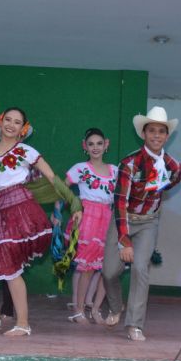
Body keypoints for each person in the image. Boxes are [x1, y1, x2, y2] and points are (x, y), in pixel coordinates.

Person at [0, 107, 82, 336]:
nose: (11, 124)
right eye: (7, 119)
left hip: (20, 207)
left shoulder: (26, 151)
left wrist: (74, 203)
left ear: (24, 129)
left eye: (17, 122)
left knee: (10, 268)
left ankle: (22, 323)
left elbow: (52, 178)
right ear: (0, 122)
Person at [103, 106, 181, 342]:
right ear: (143, 134)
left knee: (140, 269)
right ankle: (116, 306)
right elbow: (119, 202)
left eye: (161, 131)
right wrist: (124, 240)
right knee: (109, 272)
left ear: (167, 136)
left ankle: (135, 324)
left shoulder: (173, 166)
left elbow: (172, 182)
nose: (156, 136)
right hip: (123, 220)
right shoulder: (129, 163)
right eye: (152, 131)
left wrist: (154, 196)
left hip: (148, 222)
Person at [60, 128, 117, 325]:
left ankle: (94, 308)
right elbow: (62, 188)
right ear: (85, 146)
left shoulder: (115, 171)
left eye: (99, 143)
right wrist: (58, 211)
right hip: (88, 218)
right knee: (86, 267)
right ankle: (78, 309)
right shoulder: (80, 168)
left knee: (105, 268)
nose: (95, 147)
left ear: (106, 144)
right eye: (91, 144)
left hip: (107, 219)